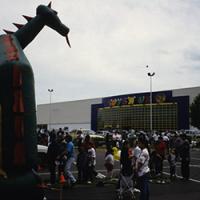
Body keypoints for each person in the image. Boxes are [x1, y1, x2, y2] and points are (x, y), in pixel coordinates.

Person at [136, 134, 150, 200]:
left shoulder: (144, 152)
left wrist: (136, 170)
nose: (138, 144)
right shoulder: (144, 150)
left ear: (142, 144)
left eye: (139, 143)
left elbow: (140, 164)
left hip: (143, 173)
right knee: (145, 188)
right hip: (145, 172)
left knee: (143, 189)